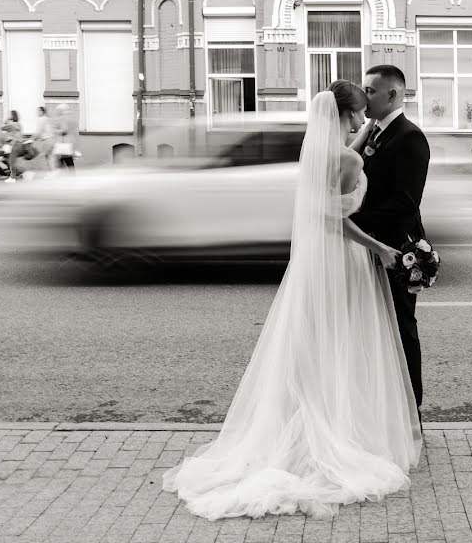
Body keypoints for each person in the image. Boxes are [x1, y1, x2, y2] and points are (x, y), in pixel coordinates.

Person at [163, 81, 422, 520]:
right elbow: (335, 217)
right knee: (344, 342)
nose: (362, 122)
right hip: (344, 260)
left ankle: (313, 420)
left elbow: (333, 183)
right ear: (341, 116)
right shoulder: (348, 159)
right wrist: (378, 247)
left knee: (315, 345)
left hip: (314, 263)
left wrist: (359, 134)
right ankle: (340, 431)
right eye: (357, 115)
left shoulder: (321, 155)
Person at [350, 65, 431, 423]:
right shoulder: (376, 131)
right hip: (370, 247)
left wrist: (351, 222)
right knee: (377, 332)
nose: (363, 96)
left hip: (394, 251)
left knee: (401, 330)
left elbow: (404, 203)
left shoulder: (409, 137)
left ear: (392, 95)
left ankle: (411, 412)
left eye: (370, 91)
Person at [52, 103, 76, 172]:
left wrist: (56, 131)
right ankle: (70, 176)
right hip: (66, 142)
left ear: (61, 111)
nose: (56, 112)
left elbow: (64, 130)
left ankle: (70, 177)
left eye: (58, 110)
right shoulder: (67, 118)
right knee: (66, 161)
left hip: (63, 143)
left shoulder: (62, 118)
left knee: (66, 161)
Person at [2, 111, 24, 183]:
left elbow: (2, 128)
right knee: (13, 161)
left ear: (12, 116)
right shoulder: (19, 124)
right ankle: (13, 176)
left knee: (11, 162)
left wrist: (7, 119)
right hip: (19, 144)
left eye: (10, 115)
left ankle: (12, 178)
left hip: (14, 144)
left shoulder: (11, 124)